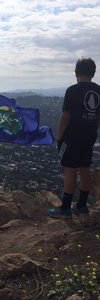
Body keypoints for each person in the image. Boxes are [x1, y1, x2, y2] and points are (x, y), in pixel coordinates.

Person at [48, 58, 100, 218]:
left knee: (70, 169)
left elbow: (66, 116)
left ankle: (65, 208)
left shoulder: (72, 90)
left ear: (76, 73)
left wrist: (59, 135)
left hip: (72, 136)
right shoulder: (99, 91)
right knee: (85, 167)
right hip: (89, 135)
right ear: (93, 73)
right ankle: (82, 205)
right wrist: (92, 128)